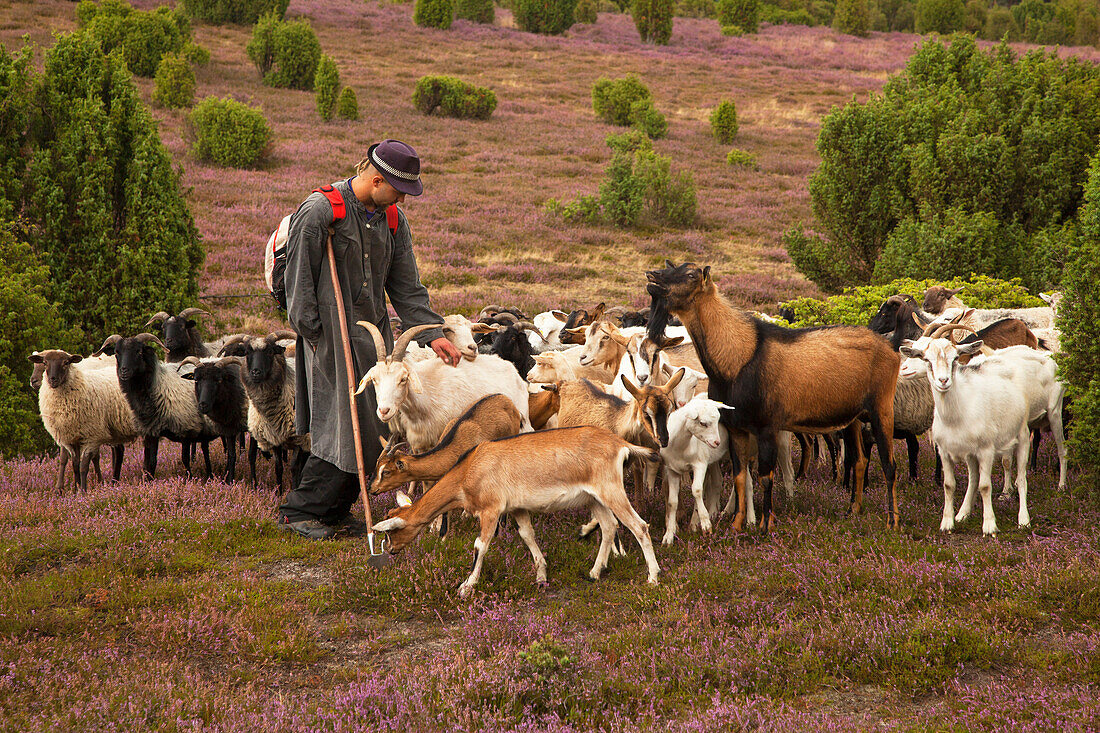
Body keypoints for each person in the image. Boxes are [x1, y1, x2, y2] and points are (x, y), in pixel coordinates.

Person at [277, 139, 461, 540]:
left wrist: (434, 334)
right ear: (377, 180)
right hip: (329, 337)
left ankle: (333, 510)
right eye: (398, 190)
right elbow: (298, 284)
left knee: (372, 423)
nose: (402, 200)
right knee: (340, 424)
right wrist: (314, 336)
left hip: (374, 343)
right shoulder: (321, 210)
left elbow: (407, 287)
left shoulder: (393, 219)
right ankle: (301, 512)